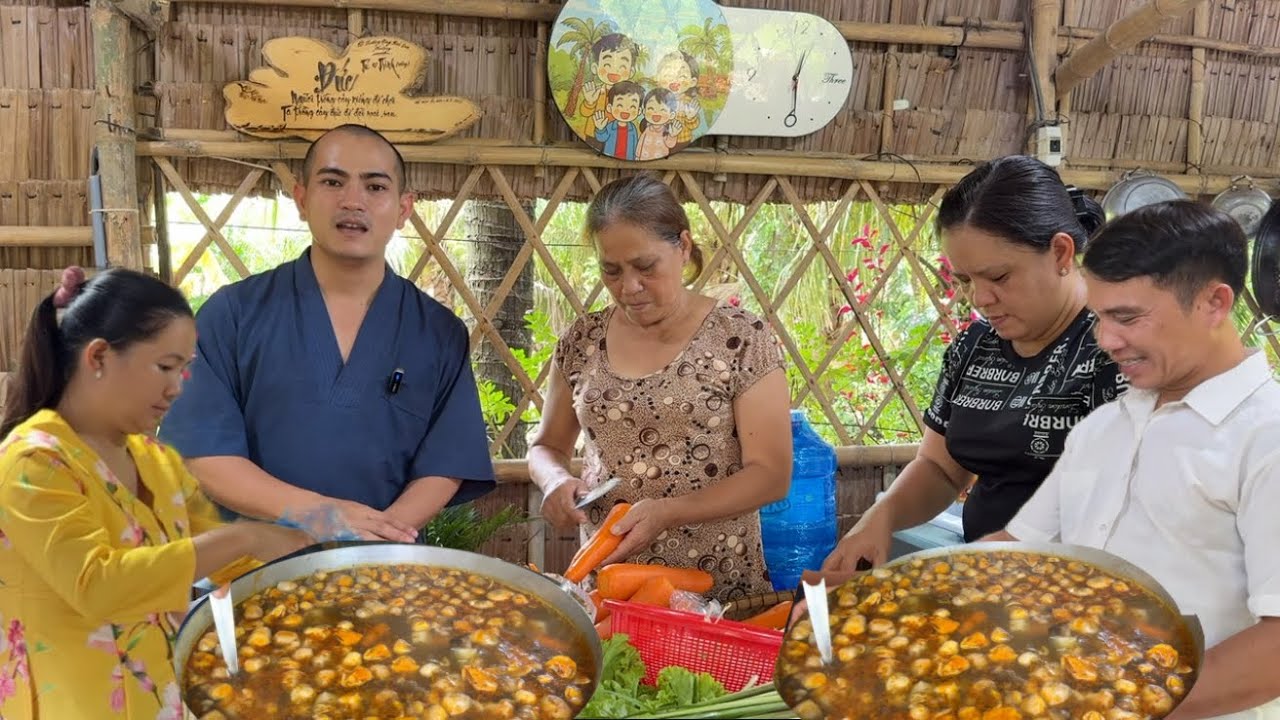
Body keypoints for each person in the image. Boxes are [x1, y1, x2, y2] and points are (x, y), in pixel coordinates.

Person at [990, 201, 1280, 720]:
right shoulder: (1102, 428)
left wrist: (1123, 707)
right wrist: (889, 597)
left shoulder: (1266, 438)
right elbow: (1017, 552)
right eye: (1099, 316)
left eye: (1128, 317)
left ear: (1214, 303)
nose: (1106, 340)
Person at [0, 267, 317, 720]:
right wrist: (246, 537)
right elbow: (98, 586)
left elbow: (211, 546)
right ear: (99, 358)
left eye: (185, 369)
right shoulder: (32, 463)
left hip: (155, 690)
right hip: (68, 701)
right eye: (165, 366)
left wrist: (311, 585)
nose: (177, 387)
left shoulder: (154, 459)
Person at [159, 124, 495, 543]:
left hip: (383, 571)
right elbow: (202, 454)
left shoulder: (438, 331)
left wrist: (374, 539)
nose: (352, 201)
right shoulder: (232, 314)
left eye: (375, 186)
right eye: (333, 182)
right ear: (301, 198)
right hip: (254, 569)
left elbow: (447, 463)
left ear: (404, 209)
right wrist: (324, 517)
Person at [823, 155, 1126, 572]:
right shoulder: (977, 344)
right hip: (991, 581)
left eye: (999, 278)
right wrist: (880, 518)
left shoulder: (1117, 348)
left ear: (1060, 252)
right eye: (965, 280)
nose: (980, 299)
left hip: (1087, 590)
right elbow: (940, 467)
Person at [528, 174, 792, 603]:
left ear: (683, 247)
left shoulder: (740, 338)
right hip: (608, 586)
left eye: (645, 267)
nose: (628, 287)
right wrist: (555, 479)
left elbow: (771, 476)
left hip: (715, 587)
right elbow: (546, 446)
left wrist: (669, 512)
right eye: (610, 271)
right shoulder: (582, 340)